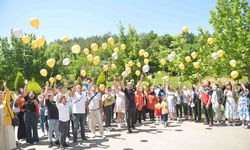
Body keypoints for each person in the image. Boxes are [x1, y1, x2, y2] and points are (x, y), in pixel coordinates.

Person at [0, 81, 16, 150]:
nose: (0, 94)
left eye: (1, 93)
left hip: (7, 119)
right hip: (0, 121)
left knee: (8, 134)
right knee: (2, 136)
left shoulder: (5, 101)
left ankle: (11, 148)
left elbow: (7, 93)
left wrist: (5, 86)